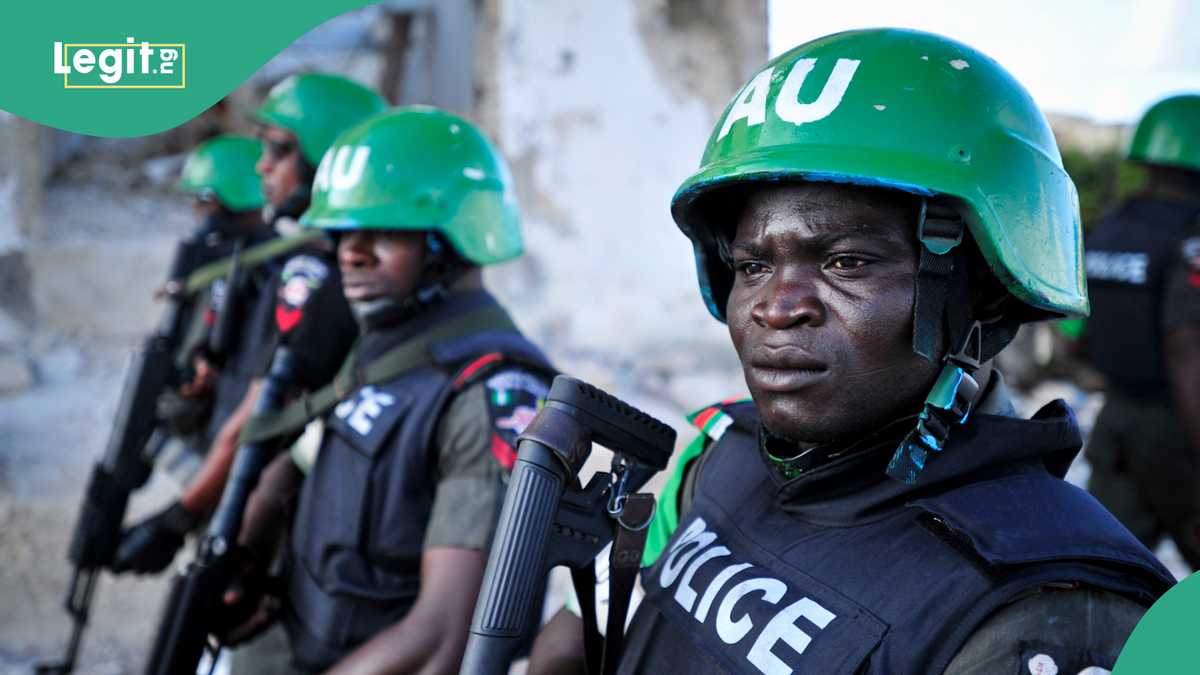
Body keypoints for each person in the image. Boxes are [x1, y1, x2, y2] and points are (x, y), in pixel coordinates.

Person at [529, 29, 1174, 675]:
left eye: (845, 262)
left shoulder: (1049, 603)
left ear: (984, 295)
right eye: (752, 265)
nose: (777, 308)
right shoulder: (720, 450)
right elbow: (568, 647)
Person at [224, 106, 555, 675]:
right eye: (346, 232)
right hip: (303, 634)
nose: (352, 253)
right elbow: (310, 457)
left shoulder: (492, 391)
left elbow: (442, 638)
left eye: (387, 230)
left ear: (451, 240)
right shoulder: (389, 339)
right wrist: (244, 560)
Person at [109, 72, 385, 575]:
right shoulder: (290, 259)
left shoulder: (317, 273)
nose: (262, 165)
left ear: (326, 163)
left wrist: (181, 514)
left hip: (275, 519)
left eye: (279, 150)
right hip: (252, 497)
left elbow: (263, 409)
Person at [1083, 93, 1200, 569]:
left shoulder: (1110, 227)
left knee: (1105, 569)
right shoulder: (1190, 235)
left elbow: (1075, 330)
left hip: (1116, 426)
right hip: (1177, 429)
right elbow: (1186, 347)